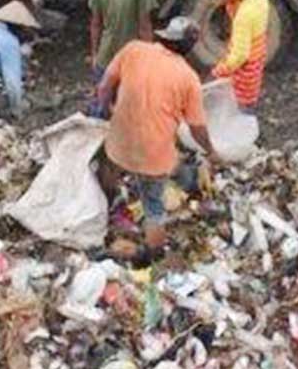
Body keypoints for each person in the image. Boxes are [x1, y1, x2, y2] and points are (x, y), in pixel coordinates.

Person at [94, 17, 219, 260]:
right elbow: (197, 127)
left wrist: (107, 109)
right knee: (153, 207)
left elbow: (104, 86)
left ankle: (104, 210)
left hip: (120, 141)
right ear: (189, 46)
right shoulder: (188, 77)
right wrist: (211, 150)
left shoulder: (133, 50)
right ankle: (152, 256)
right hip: (153, 156)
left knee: (109, 171)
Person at [87, 0, 158, 117]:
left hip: (106, 54)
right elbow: (144, 26)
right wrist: (150, 56)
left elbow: (95, 23)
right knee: (131, 108)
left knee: (101, 104)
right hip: (131, 57)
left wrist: (94, 53)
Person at [211, 0, 270, 113]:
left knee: (240, 102)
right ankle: (249, 110)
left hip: (245, 67)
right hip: (257, 59)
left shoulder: (243, 15)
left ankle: (244, 117)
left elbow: (240, 55)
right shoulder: (262, 1)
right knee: (250, 96)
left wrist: (222, 69)